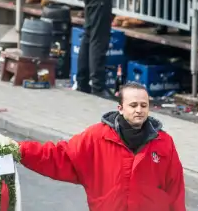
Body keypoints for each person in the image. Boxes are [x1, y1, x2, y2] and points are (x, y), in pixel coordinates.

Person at [16, 81, 186, 211]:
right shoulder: (96, 137)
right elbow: (59, 156)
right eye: (133, 105)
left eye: (144, 105)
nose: (139, 110)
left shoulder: (164, 142)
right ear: (120, 108)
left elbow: (175, 190)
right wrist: (20, 150)